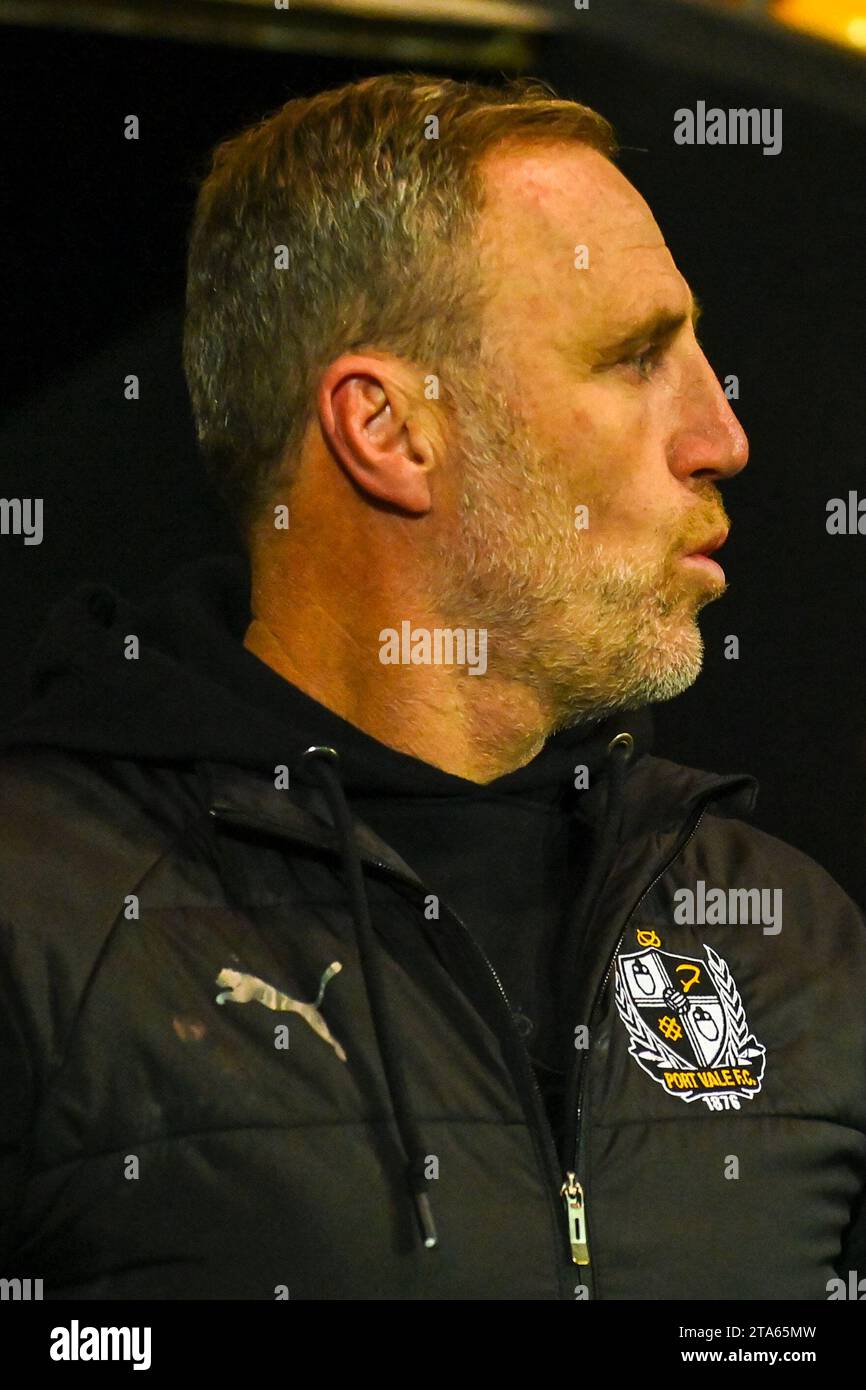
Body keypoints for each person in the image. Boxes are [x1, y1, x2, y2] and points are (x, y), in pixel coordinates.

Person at [0, 73, 863, 1301]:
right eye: (632, 359)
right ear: (389, 429)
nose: (719, 436)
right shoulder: (41, 923)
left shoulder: (791, 934)